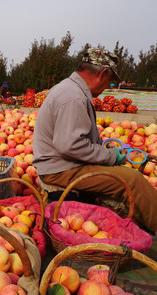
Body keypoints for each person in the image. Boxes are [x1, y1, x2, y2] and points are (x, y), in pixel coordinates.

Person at [32, 47, 157, 234]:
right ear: (103, 73)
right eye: (109, 81)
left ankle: (142, 222)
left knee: (124, 174)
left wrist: (105, 149)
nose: (108, 86)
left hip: (62, 164)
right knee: (132, 180)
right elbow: (70, 145)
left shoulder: (71, 89)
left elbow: (73, 141)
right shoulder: (73, 96)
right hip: (60, 169)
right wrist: (110, 156)